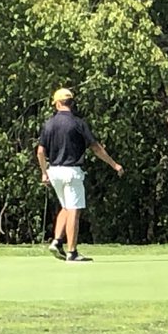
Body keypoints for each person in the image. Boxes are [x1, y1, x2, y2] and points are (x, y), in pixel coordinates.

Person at [36, 87, 124, 263]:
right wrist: (114, 164)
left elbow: (40, 152)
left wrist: (44, 173)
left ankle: (57, 241)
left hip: (54, 171)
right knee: (74, 211)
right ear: (71, 103)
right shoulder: (78, 123)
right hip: (72, 172)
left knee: (66, 207)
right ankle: (72, 252)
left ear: (58, 103)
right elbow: (96, 147)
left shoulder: (49, 124)